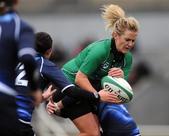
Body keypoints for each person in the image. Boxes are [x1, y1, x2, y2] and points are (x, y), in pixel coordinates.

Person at [61, 4, 140, 136]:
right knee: (92, 133)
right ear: (115, 35)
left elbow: (118, 90)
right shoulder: (100, 51)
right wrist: (97, 97)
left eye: (133, 40)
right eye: (127, 39)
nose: (130, 44)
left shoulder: (128, 59)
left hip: (87, 92)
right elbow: (79, 78)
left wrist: (121, 77)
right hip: (66, 88)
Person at [21, 32, 118, 136]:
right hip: (20, 121)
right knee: (93, 133)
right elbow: (70, 90)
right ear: (49, 51)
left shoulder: (17, 61)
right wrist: (97, 96)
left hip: (6, 115)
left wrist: (42, 97)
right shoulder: (45, 65)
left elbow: (17, 90)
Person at [0, 0, 41, 135]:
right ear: (16, 2)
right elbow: (27, 58)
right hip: (4, 96)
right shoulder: (20, 27)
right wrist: (34, 89)